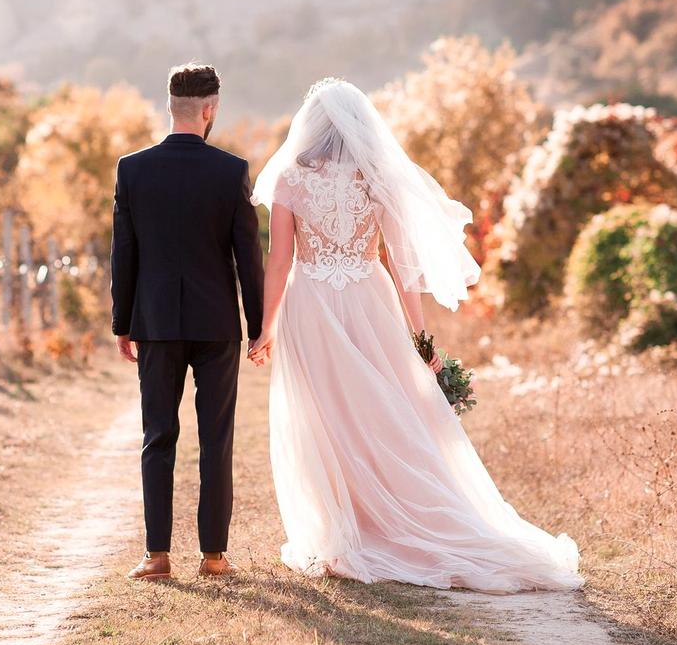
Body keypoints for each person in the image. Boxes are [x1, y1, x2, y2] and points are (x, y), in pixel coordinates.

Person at [248, 78, 582, 593]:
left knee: (325, 415)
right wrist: (419, 336)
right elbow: (401, 266)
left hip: (310, 300)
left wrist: (265, 327)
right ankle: (378, 523)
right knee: (384, 410)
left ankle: (347, 532)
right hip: (369, 298)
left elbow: (279, 261)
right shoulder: (378, 177)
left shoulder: (291, 178)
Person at [111, 63, 264, 580]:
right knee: (216, 437)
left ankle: (157, 556)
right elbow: (249, 258)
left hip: (153, 320)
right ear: (209, 109)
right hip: (217, 321)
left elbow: (124, 253)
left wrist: (121, 322)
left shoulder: (131, 169)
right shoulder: (231, 171)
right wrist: (260, 324)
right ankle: (214, 557)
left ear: (170, 106)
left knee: (158, 435)